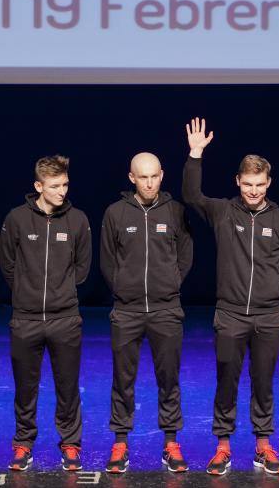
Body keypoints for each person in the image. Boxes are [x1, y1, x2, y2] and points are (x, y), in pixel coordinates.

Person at [182, 118, 279, 476]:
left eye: (259, 184)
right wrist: (195, 155)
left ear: (269, 183)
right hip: (230, 316)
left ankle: (263, 446)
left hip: (267, 317)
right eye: (247, 184)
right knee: (226, 382)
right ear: (237, 181)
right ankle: (223, 446)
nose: (253, 190)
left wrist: (271, 292)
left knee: (263, 384)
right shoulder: (223, 212)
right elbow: (190, 196)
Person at [101, 152, 193, 474]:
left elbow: (185, 255)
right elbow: (108, 261)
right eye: (143, 177)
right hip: (127, 312)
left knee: (169, 380)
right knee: (122, 381)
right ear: (132, 178)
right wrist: (123, 288)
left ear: (162, 175)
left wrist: (169, 283)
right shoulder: (115, 213)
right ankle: (120, 442)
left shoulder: (176, 212)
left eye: (154, 176)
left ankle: (170, 442)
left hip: (166, 310)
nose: (150, 183)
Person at [1, 155, 92, 472]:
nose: (62, 191)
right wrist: (25, 294)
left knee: (68, 387)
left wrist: (60, 292)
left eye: (65, 184)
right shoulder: (16, 219)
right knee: (25, 389)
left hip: (65, 319)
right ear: (38, 186)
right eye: (55, 186)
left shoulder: (78, 220)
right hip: (25, 319)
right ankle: (23, 444)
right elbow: (8, 266)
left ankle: (70, 443)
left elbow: (81, 269)